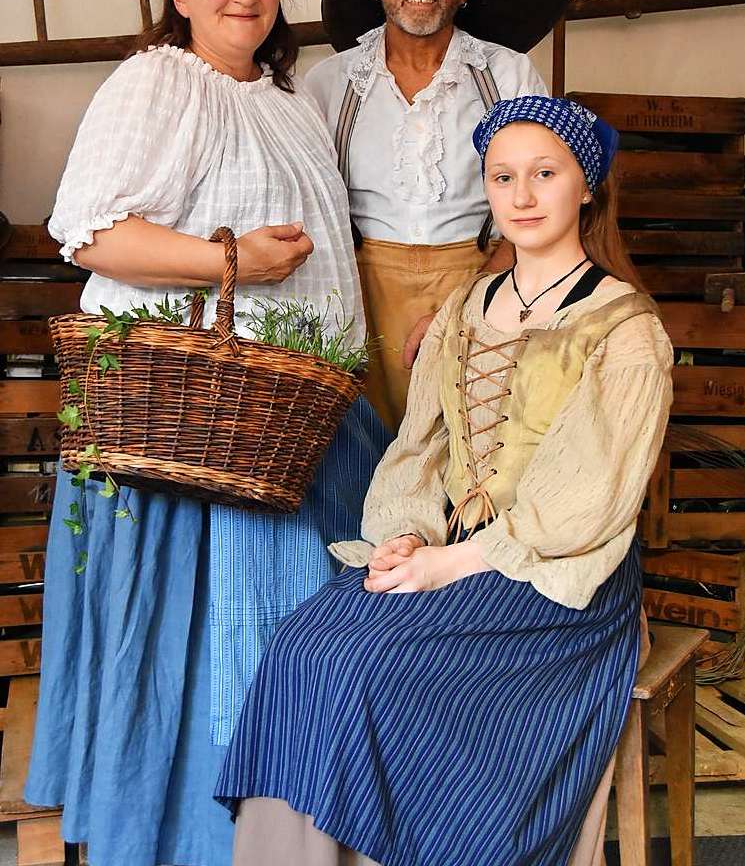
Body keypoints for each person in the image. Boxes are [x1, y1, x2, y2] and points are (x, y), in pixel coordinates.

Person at [214, 96, 674, 866]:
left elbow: (585, 505)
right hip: (446, 550)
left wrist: (449, 565)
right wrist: (405, 536)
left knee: (372, 667)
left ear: (586, 185)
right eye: (503, 177)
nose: (522, 196)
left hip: (560, 578)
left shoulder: (624, 328)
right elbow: (418, 447)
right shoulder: (466, 308)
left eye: (544, 174)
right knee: (304, 646)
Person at [24, 0, 389, 866]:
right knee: (204, 650)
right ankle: (185, 843)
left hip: (288, 416)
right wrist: (235, 261)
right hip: (189, 422)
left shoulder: (294, 104)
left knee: (302, 638)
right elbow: (92, 231)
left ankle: (288, 840)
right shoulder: (158, 83)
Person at [306, 0, 577, 432]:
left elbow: (542, 204)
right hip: (361, 290)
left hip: (483, 275)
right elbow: (310, 208)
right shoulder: (329, 84)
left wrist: (480, 299)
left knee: (472, 444)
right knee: (365, 446)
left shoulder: (506, 74)